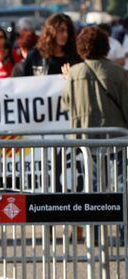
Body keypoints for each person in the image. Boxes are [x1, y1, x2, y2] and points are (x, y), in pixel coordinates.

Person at [61, 26, 128, 245]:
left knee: (93, 192)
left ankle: (96, 236)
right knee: (121, 190)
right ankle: (124, 234)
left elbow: (67, 105)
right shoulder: (119, 73)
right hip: (117, 140)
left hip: (86, 142)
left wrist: (67, 79)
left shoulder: (74, 74)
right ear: (105, 46)